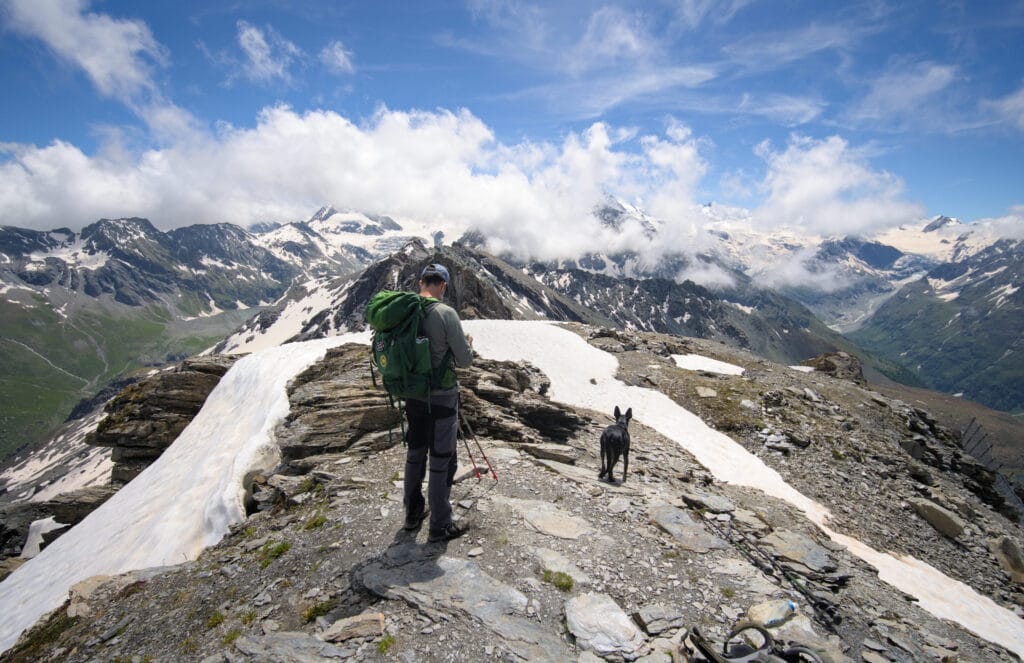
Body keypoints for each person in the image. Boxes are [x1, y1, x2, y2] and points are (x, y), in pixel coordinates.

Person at [403, 263, 474, 542]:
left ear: (421, 282)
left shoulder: (407, 310)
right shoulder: (446, 313)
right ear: (443, 285)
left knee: (415, 454)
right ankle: (440, 525)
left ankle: (412, 513)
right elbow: (465, 360)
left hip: (413, 395)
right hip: (443, 396)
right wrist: (468, 344)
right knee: (442, 459)